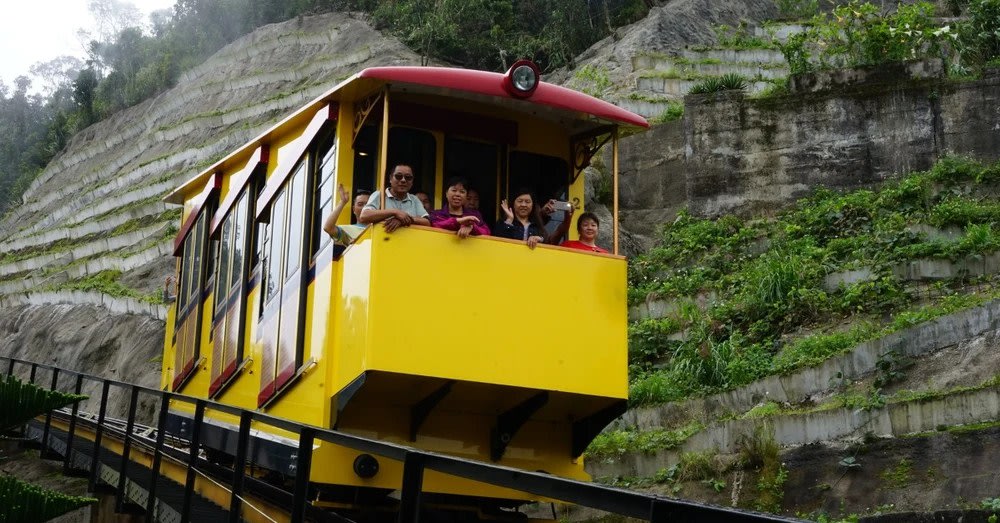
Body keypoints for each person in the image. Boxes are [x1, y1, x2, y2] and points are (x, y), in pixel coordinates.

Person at [359, 164, 430, 232]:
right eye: (398, 176)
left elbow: (427, 222)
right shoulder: (380, 195)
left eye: (408, 177)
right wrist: (394, 212)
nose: (403, 180)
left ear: (412, 182)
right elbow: (364, 216)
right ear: (390, 178)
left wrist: (403, 220)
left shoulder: (414, 199)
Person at [493, 188, 571, 249]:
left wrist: (539, 239)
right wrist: (509, 220)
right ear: (513, 203)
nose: (523, 204)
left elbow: (549, 243)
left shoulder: (536, 226)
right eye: (520, 201)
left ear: (533, 205)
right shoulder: (503, 223)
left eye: (527, 202)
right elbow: (496, 242)